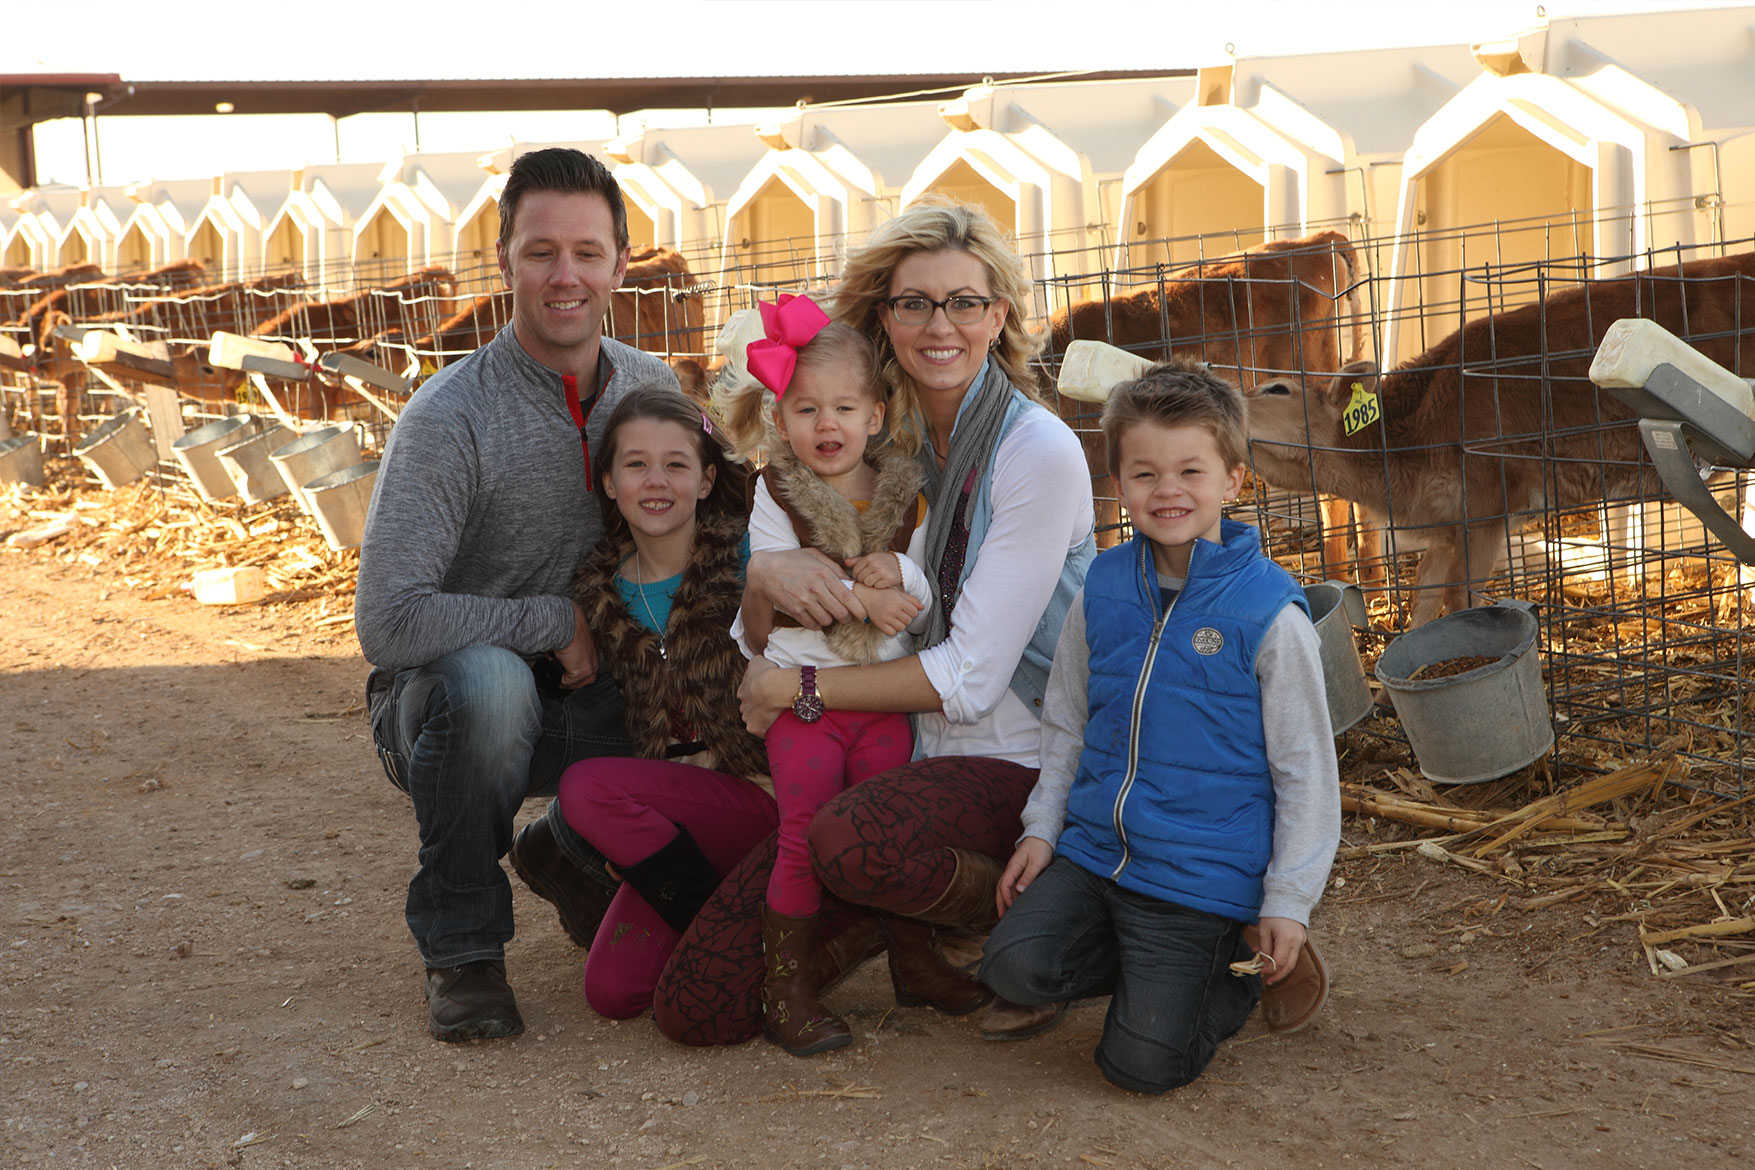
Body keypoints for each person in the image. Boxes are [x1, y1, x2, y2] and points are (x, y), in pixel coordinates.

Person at [651, 199, 1097, 1047]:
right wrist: (764, 577)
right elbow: (757, 638)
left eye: (964, 302)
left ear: (998, 315)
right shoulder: (855, 440)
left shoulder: (1033, 451)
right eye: (913, 302)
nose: (940, 325)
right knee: (699, 1005)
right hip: (879, 752)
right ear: (881, 315)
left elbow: (964, 683)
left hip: (1011, 757)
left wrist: (797, 689)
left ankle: (1007, 903)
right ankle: (909, 930)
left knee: (850, 840)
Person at [355, 147, 682, 1042]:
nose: (564, 275)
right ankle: (461, 947)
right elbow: (386, 620)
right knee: (491, 685)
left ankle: (569, 850)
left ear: (621, 263)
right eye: (541, 251)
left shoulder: (655, 390)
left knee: (720, 672)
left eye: (587, 251)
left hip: (596, 695)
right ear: (505, 261)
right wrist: (553, 621)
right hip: (447, 704)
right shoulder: (449, 416)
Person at [979, 359, 1341, 1094]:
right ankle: (1150, 966)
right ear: (1116, 481)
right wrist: (1042, 828)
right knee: (1011, 966)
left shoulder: (1268, 613)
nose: (1166, 490)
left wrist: (1286, 902)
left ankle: (1238, 969)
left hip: (1200, 876)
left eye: (1189, 470)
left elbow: (1304, 769)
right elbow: (1068, 718)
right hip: (1097, 853)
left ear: (1233, 480)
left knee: (1140, 1066)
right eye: (1143, 473)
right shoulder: (1104, 588)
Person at [716, 293, 932, 1055]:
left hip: (883, 699)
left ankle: (917, 957)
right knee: (804, 830)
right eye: (806, 409)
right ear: (779, 421)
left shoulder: (905, 494)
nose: (826, 425)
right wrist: (869, 597)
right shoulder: (774, 497)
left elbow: (928, 581)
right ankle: (789, 989)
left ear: (876, 415)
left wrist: (901, 566)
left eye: (844, 407)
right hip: (802, 702)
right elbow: (783, 583)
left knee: (884, 823)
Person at [552, 385, 783, 1021]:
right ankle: (726, 911)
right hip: (672, 827)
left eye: (676, 464)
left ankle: (734, 928)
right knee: (614, 993)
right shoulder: (596, 592)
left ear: (708, 481)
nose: (656, 482)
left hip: (759, 794)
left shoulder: (747, 561)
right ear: (607, 482)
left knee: (586, 790)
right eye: (635, 464)